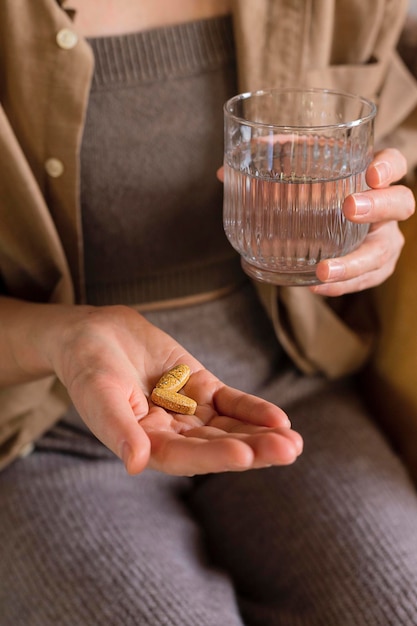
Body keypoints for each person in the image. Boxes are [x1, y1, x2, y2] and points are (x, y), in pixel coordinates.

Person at [1, 0, 417, 624]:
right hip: (42, 427)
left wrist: (378, 224)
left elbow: (392, 138)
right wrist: (65, 337)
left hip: (290, 389)